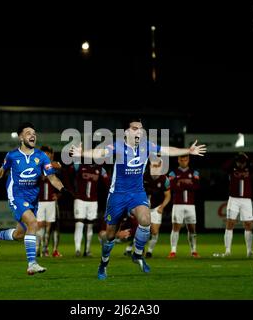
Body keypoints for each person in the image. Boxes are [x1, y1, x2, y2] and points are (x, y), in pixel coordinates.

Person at [70, 117, 206, 280]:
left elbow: (166, 150)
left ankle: (138, 254)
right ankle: (103, 264)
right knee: (110, 235)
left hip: (137, 193)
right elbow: (100, 152)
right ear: (126, 132)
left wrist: (188, 151)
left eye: (141, 128)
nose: (139, 131)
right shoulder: (118, 146)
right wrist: (82, 153)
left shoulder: (146, 146)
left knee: (146, 219)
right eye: (135, 128)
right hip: (117, 195)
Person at [0, 122, 71, 275]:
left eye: (34, 133)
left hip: (32, 199)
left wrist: (62, 188)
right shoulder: (12, 155)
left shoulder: (41, 156)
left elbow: (51, 177)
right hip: (16, 195)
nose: (32, 135)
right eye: (28, 133)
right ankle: (32, 263)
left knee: (20, 234)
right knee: (33, 223)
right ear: (20, 137)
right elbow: (0, 171)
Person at [216, 152, 253, 258]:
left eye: (243, 162)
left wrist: (248, 158)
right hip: (234, 199)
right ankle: (227, 251)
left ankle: (249, 251)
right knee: (230, 223)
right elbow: (223, 166)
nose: (241, 164)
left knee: (249, 225)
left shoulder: (249, 168)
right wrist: (234, 158)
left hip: (246, 200)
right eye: (239, 162)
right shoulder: (231, 169)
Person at [124, 157, 171, 258]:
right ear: (149, 166)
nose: (154, 168)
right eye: (152, 165)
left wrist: (162, 207)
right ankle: (133, 249)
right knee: (140, 229)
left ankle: (149, 251)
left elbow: (168, 195)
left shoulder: (164, 180)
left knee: (154, 231)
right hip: (143, 207)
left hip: (156, 207)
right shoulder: (143, 176)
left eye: (157, 166)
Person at [66, 160, 110, 257]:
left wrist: (109, 195)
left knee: (90, 226)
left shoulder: (100, 169)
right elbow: (67, 175)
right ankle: (77, 249)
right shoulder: (79, 165)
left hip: (93, 201)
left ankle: (87, 250)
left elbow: (107, 182)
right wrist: (71, 191)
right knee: (79, 224)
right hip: (80, 200)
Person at [167, 154, 201, 258]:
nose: (183, 162)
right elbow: (172, 187)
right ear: (178, 160)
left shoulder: (194, 172)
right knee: (176, 227)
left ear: (188, 160)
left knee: (192, 228)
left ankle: (194, 250)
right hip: (178, 204)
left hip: (190, 205)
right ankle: (173, 251)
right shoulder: (173, 173)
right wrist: (188, 184)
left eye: (185, 160)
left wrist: (181, 183)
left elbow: (196, 186)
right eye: (182, 160)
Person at [36, 145, 63, 258]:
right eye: (44, 154)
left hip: (51, 202)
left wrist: (59, 195)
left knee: (49, 226)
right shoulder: (36, 166)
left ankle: (45, 249)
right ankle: (38, 248)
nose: (46, 156)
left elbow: (59, 166)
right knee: (40, 225)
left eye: (48, 154)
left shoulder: (53, 165)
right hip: (40, 201)